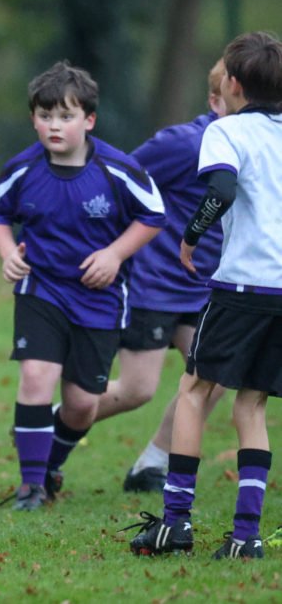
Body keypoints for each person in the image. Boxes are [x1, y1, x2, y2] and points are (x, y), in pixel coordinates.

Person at [0, 61, 165, 511]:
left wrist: (115, 254)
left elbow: (153, 215)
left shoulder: (117, 169)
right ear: (33, 120)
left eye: (66, 116)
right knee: (35, 376)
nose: (54, 125)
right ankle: (30, 487)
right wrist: (7, 253)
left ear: (89, 120)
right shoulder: (23, 168)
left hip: (99, 300)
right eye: (45, 116)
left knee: (82, 404)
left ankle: (50, 464)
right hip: (41, 289)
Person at [128, 31, 282, 560]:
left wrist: (191, 236)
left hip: (241, 285)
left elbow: (220, 190)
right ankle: (246, 537)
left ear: (233, 84)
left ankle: (175, 524)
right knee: (252, 404)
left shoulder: (226, 130)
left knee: (195, 390)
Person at [91, 60, 229, 493]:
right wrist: (115, 248)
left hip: (206, 288)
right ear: (215, 101)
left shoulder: (255, 147)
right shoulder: (184, 144)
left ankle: (152, 463)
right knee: (137, 390)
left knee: (215, 374)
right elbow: (120, 180)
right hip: (155, 284)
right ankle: (51, 422)